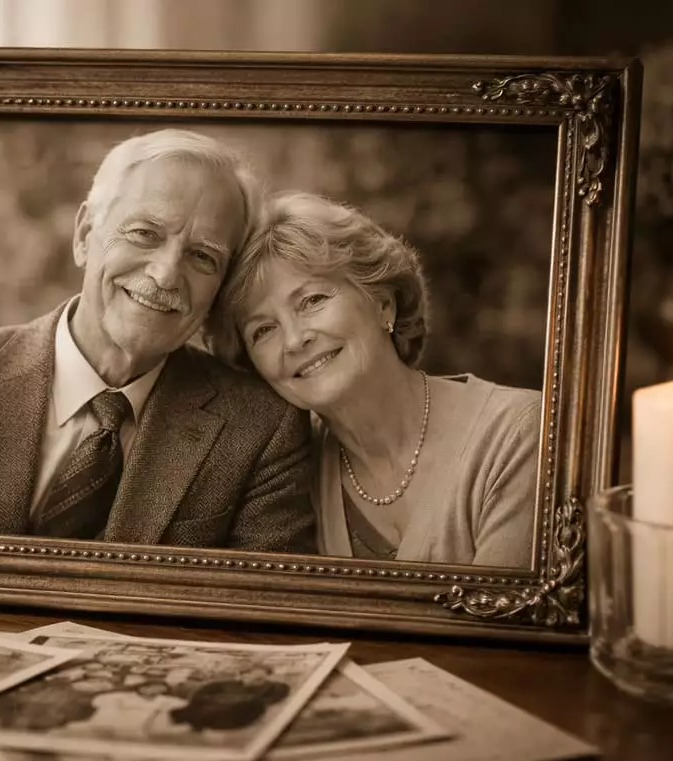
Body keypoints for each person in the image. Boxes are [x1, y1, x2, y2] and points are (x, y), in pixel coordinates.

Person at [0, 129, 315, 552]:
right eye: (144, 233)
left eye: (203, 256)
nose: (166, 274)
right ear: (83, 235)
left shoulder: (260, 429)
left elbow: (258, 591)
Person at [205, 191, 541, 568]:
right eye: (263, 330)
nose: (295, 340)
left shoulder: (518, 433)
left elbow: (505, 609)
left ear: (383, 303)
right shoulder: (282, 474)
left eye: (312, 300)